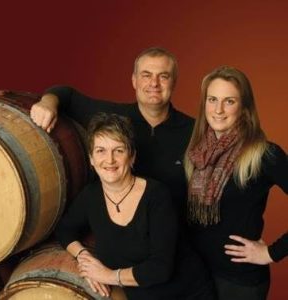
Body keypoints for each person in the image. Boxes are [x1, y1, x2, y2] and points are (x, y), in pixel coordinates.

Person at [31, 47, 215, 298]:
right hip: (136, 274)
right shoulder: (112, 122)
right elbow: (67, 95)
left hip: (178, 268)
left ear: (131, 155)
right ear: (134, 80)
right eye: (146, 74)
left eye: (163, 76)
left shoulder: (195, 132)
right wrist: (46, 103)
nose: (154, 83)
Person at [55, 112, 214, 300]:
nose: (110, 159)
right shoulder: (91, 196)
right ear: (91, 159)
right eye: (101, 151)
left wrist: (107, 276)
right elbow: (65, 230)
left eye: (119, 150)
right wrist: (85, 259)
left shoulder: (156, 196)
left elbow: (160, 268)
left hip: (186, 294)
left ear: (132, 157)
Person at [184, 65, 288, 300]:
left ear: (244, 108)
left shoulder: (264, 154)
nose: (218, 110)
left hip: (239, 283)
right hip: (195, 275)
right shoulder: (196, 151)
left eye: (229, 101)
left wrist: (272, 252)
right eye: (212, 99)